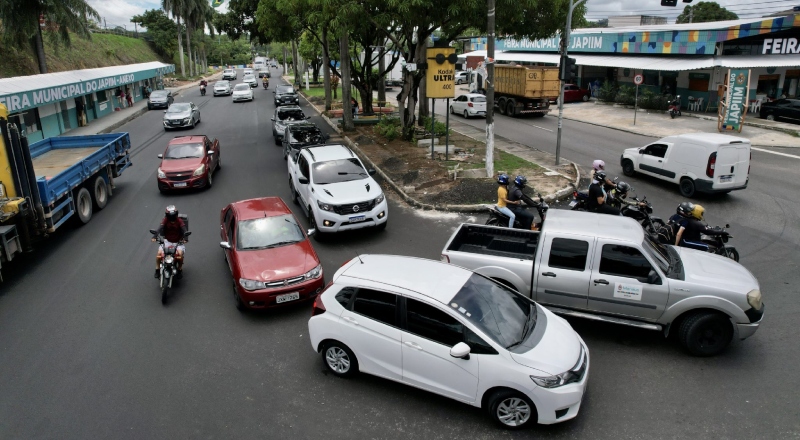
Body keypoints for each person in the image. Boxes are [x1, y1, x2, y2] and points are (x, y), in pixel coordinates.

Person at [153, 205, 188, 279]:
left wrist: (186, 238)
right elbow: (160, 228)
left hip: (178, 242)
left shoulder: (179, 221)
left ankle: (179, 269)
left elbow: (184, 230)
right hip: (167, 242)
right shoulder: (165, 220)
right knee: (159, 254)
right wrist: (154, 236)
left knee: (180, 256)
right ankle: (157, 269)